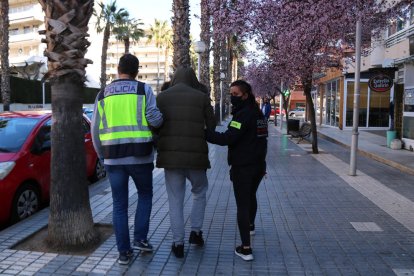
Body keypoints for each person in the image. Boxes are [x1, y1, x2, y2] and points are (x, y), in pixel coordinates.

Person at [91, 54, 163, 265]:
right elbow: (155, 119)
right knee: (145, 196)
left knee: (119, 205)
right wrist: (161, 119)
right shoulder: (143, 89)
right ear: (137, 71)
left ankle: (124, 253)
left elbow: (95, 129)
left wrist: (102, 156)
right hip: (140, 156)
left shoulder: (102, 94)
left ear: (118, 70)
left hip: (113, 159)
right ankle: (140, 239)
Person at [156, 67, 216, 258]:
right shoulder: (201, 97)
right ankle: (196, 233)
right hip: (196, 158)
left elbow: (155, 125)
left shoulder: (162, 97)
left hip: (171, 159)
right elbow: (212, 126)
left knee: (175, 201)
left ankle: (178, 243)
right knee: (199, 193)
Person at [205, 79, 268, 261]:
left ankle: (246, 248)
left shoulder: (242, 115)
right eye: (231, 94)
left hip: (243, 168)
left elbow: (228, 138)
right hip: (258, 166)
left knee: (242, 205)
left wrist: (204, 133)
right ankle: (250, 226)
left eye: (236, 95)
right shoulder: (257, 114)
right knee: (250, 197)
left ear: (245, 95)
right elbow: (263, 141)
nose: (233, 98)